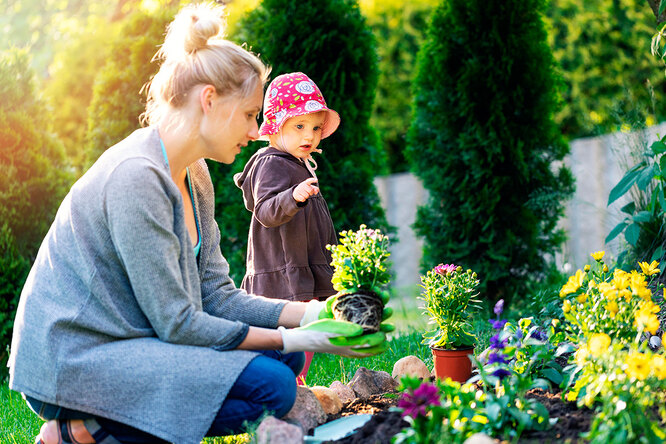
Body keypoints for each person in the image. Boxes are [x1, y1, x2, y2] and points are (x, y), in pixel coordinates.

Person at [7, 3, 387, 444]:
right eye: (249, 115)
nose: (255, 130)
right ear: (209, 100)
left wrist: (316, 314)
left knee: (282, 367)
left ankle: (104, 425)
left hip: (135, 345)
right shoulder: (136, 177)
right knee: (274, 382)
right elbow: (179, 325)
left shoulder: (197, 175)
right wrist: (301, 338)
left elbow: (217, 296)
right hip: (77, 361)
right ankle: (78, 430)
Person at [233, 72, 340, 384]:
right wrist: (293, 196)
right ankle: (289, 381)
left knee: (306, 332)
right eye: (299, 126)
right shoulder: (270, 162)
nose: (310, 135)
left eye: (316, 127)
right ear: (276, 127)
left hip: (301, 265)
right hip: (283, 269)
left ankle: (296, 380)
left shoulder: (294, 160)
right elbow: (265, 211)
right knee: (293, 333)